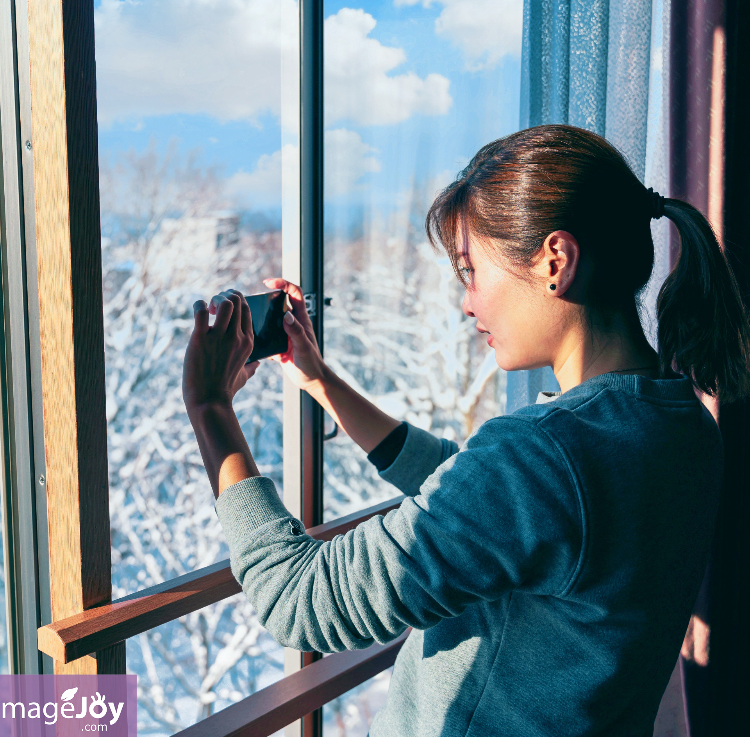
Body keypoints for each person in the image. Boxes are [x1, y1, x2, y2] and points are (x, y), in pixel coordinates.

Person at [182, 125, 750, 736]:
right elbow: (492, 508)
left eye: (471, 271)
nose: (467, 303)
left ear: (555, 261)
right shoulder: (680, 423)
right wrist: (321, 382)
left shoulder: (544, 457)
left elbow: (299, 598)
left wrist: (211, 411)